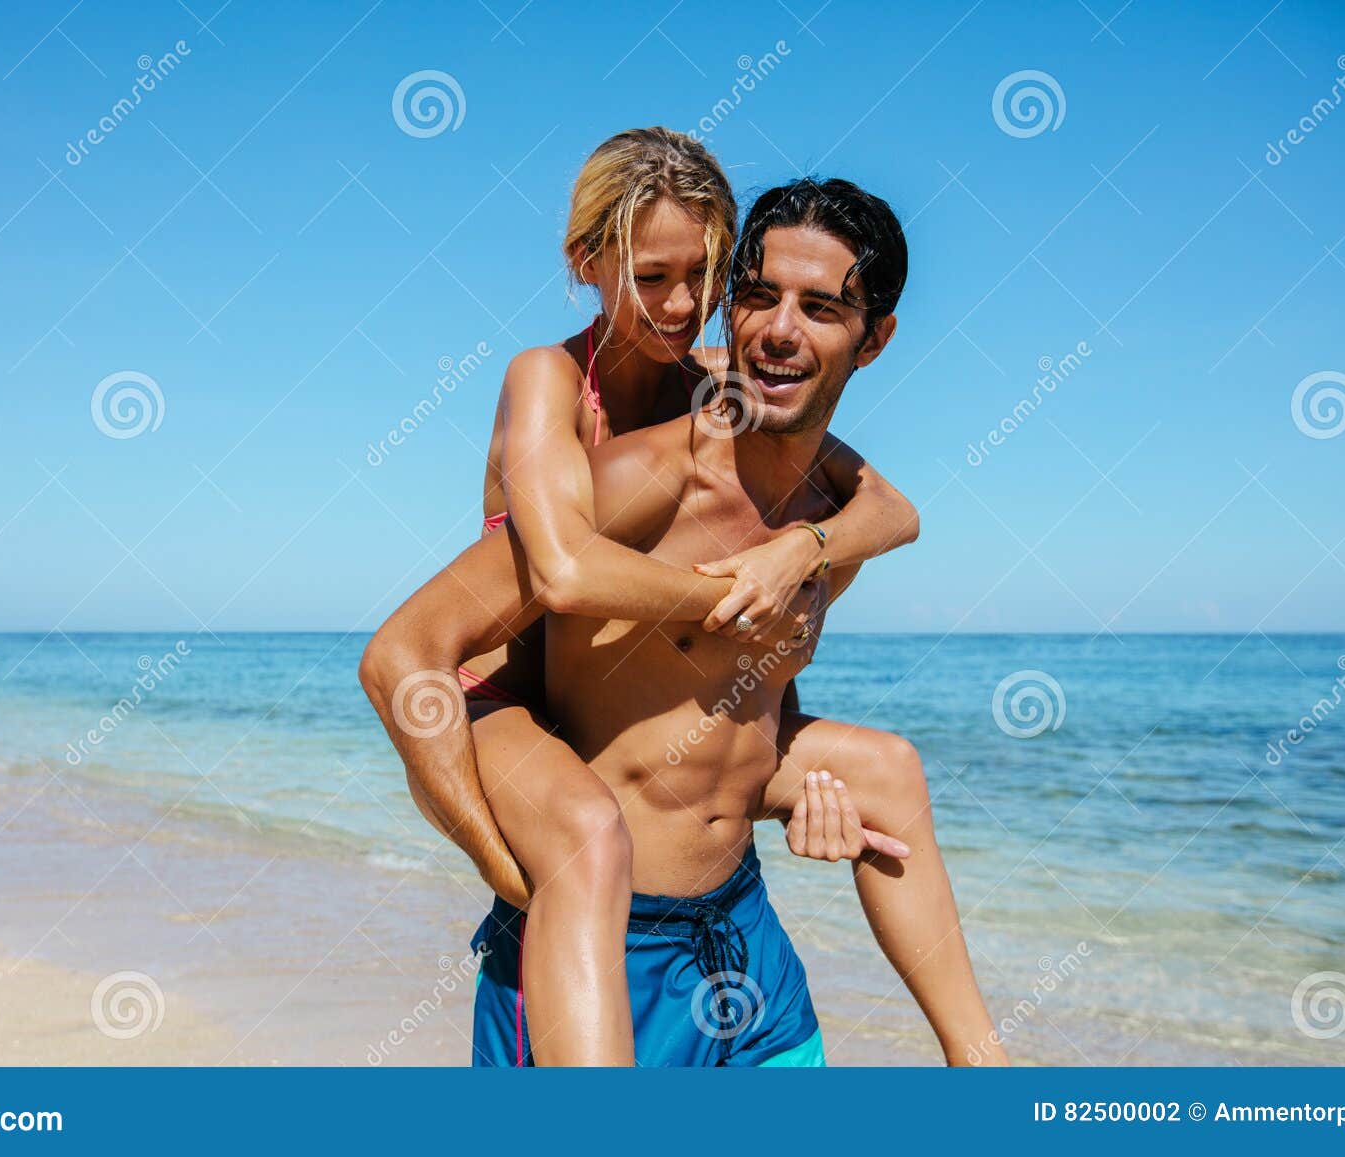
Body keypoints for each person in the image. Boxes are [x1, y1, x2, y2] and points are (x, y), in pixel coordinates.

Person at [362, 177, 1005, 1065]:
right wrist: (499, 862)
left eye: (821, 308)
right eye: (758, 296)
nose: (780, 329)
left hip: (744, 944)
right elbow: (414, 644)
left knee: (886, 769)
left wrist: (804, 798)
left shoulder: (835, 522)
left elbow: (736, 708)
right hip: (600, 952)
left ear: (875, 340)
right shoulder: (621, 479)